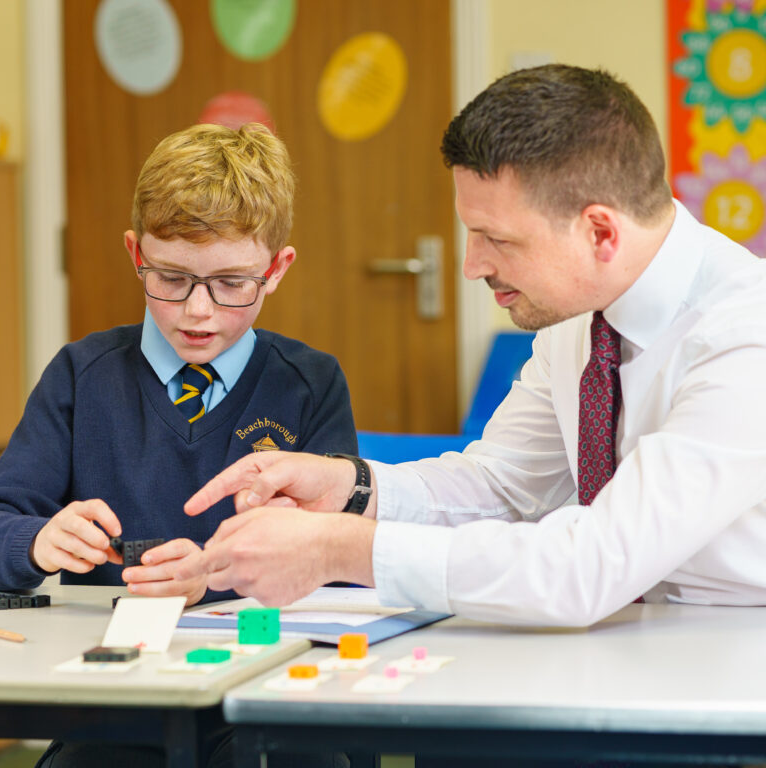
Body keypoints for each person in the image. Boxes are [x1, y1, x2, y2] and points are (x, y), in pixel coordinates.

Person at [176, 64, 766, 628]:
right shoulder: (576, 313)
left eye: (496, 239)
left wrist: (342, 549)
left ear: (600, 232)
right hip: (629, 639)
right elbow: (503, 487)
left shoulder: (744, 337)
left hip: (730, 660)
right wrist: (351, 488)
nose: (470, 266)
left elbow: (591, 565)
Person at [0, 122, 356, 767]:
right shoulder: (82, 377)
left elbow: (340, 561)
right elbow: (1, 519)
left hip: (265, 688)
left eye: (231, 283)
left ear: (276, 268)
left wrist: (215, 575)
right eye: (171, 278)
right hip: (116, 699)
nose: (198, 311)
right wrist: (36, 541)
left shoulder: (310, 384)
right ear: (136, 254)